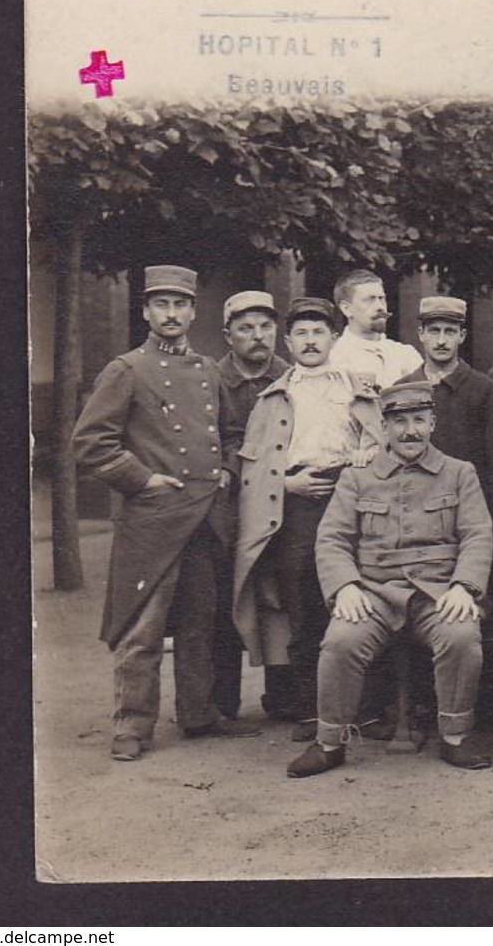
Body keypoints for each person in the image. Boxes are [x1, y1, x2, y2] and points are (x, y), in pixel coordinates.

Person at [72, 265, 260, 760]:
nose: (172, 314)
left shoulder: (206, 371)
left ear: (193, 312)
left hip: (204, 517)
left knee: (201, 620)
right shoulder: (126, 369)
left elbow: (234, 433)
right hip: (153, 520)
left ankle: (198, 714)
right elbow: (90, 444)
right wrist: (143, 479)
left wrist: (226, 471)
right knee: (144, 627)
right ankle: (131, 726)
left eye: (180, 305)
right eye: (161, 304)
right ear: (145, 312)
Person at [287, 382, 493, 776]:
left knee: (462, 637)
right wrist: (345, 586)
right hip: (374, 592)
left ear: (433, 422)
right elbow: (331, 538)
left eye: (418, 420)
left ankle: (455, 735)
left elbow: (477, 534)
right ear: (384, 427)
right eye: (399, 422)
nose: (410, 431)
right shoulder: (356, 478)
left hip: (437, 591)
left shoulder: (459, 473)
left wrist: (464, 586)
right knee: (339, 642)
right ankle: (329, 741)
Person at [232, 297, 383, 740]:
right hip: (297, 503)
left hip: (351, 498)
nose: (311, 341)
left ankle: (365, 708)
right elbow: (254, 466)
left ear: (334, 338)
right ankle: (313, 710)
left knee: (360, 598)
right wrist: (286, 485)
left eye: (319, 332)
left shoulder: (358, 390)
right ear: (288, 341)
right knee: (304, 603)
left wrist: (365, 458)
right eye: (302, 333)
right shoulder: (274, 397)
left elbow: (381, 444)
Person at [213, 290, 291, 720]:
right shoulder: (212, 378)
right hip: (227, 503)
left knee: (276, 596)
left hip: (278, 502)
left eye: (265, 327)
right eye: (246, 329)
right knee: (226, 596)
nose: (258, 336)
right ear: (228, 335)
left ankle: (281, 695)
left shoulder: (292, 376)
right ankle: (222, 701)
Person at [400, 295, 493, 517]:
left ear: (462, 336)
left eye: (450, 331)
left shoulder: (487, 392)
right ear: (421, 334)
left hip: (467, 511)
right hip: (413, 510)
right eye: (434, 331)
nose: (441, 341)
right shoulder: (403, 390)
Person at [328, 269, 423, 386]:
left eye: (381, 298)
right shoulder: (333, 358)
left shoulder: (407, 355)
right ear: (346, 309)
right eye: (369, 300)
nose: (380, 307)